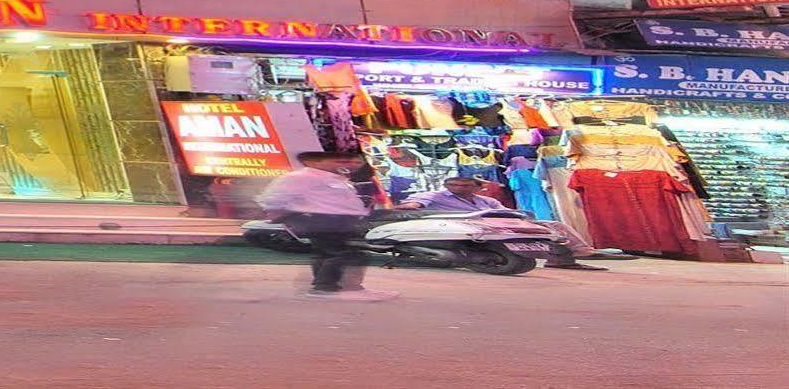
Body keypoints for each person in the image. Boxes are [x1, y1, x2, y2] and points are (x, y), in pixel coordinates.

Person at [256, 151, 395, 301]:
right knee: (341, 252)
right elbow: (273, 198)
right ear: (315, 162)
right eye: (335, 160)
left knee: (330, 253)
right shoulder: (300, 177)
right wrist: (278, 214)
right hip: (320, 220)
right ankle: (327, 288)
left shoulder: (335, 178)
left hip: (338, 220)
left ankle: (335, 287)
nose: (342, 164)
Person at [397, 176, 608, 271]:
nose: (458, 187)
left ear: (476, 187)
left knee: (553, 225)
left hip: (496, 222)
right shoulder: (434, 196)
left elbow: (504, 211)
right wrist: (411, 206)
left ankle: (580, 252)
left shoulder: (486, 201)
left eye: (464, 185)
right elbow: (415, 203)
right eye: (454, 184)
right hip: (463, 226)